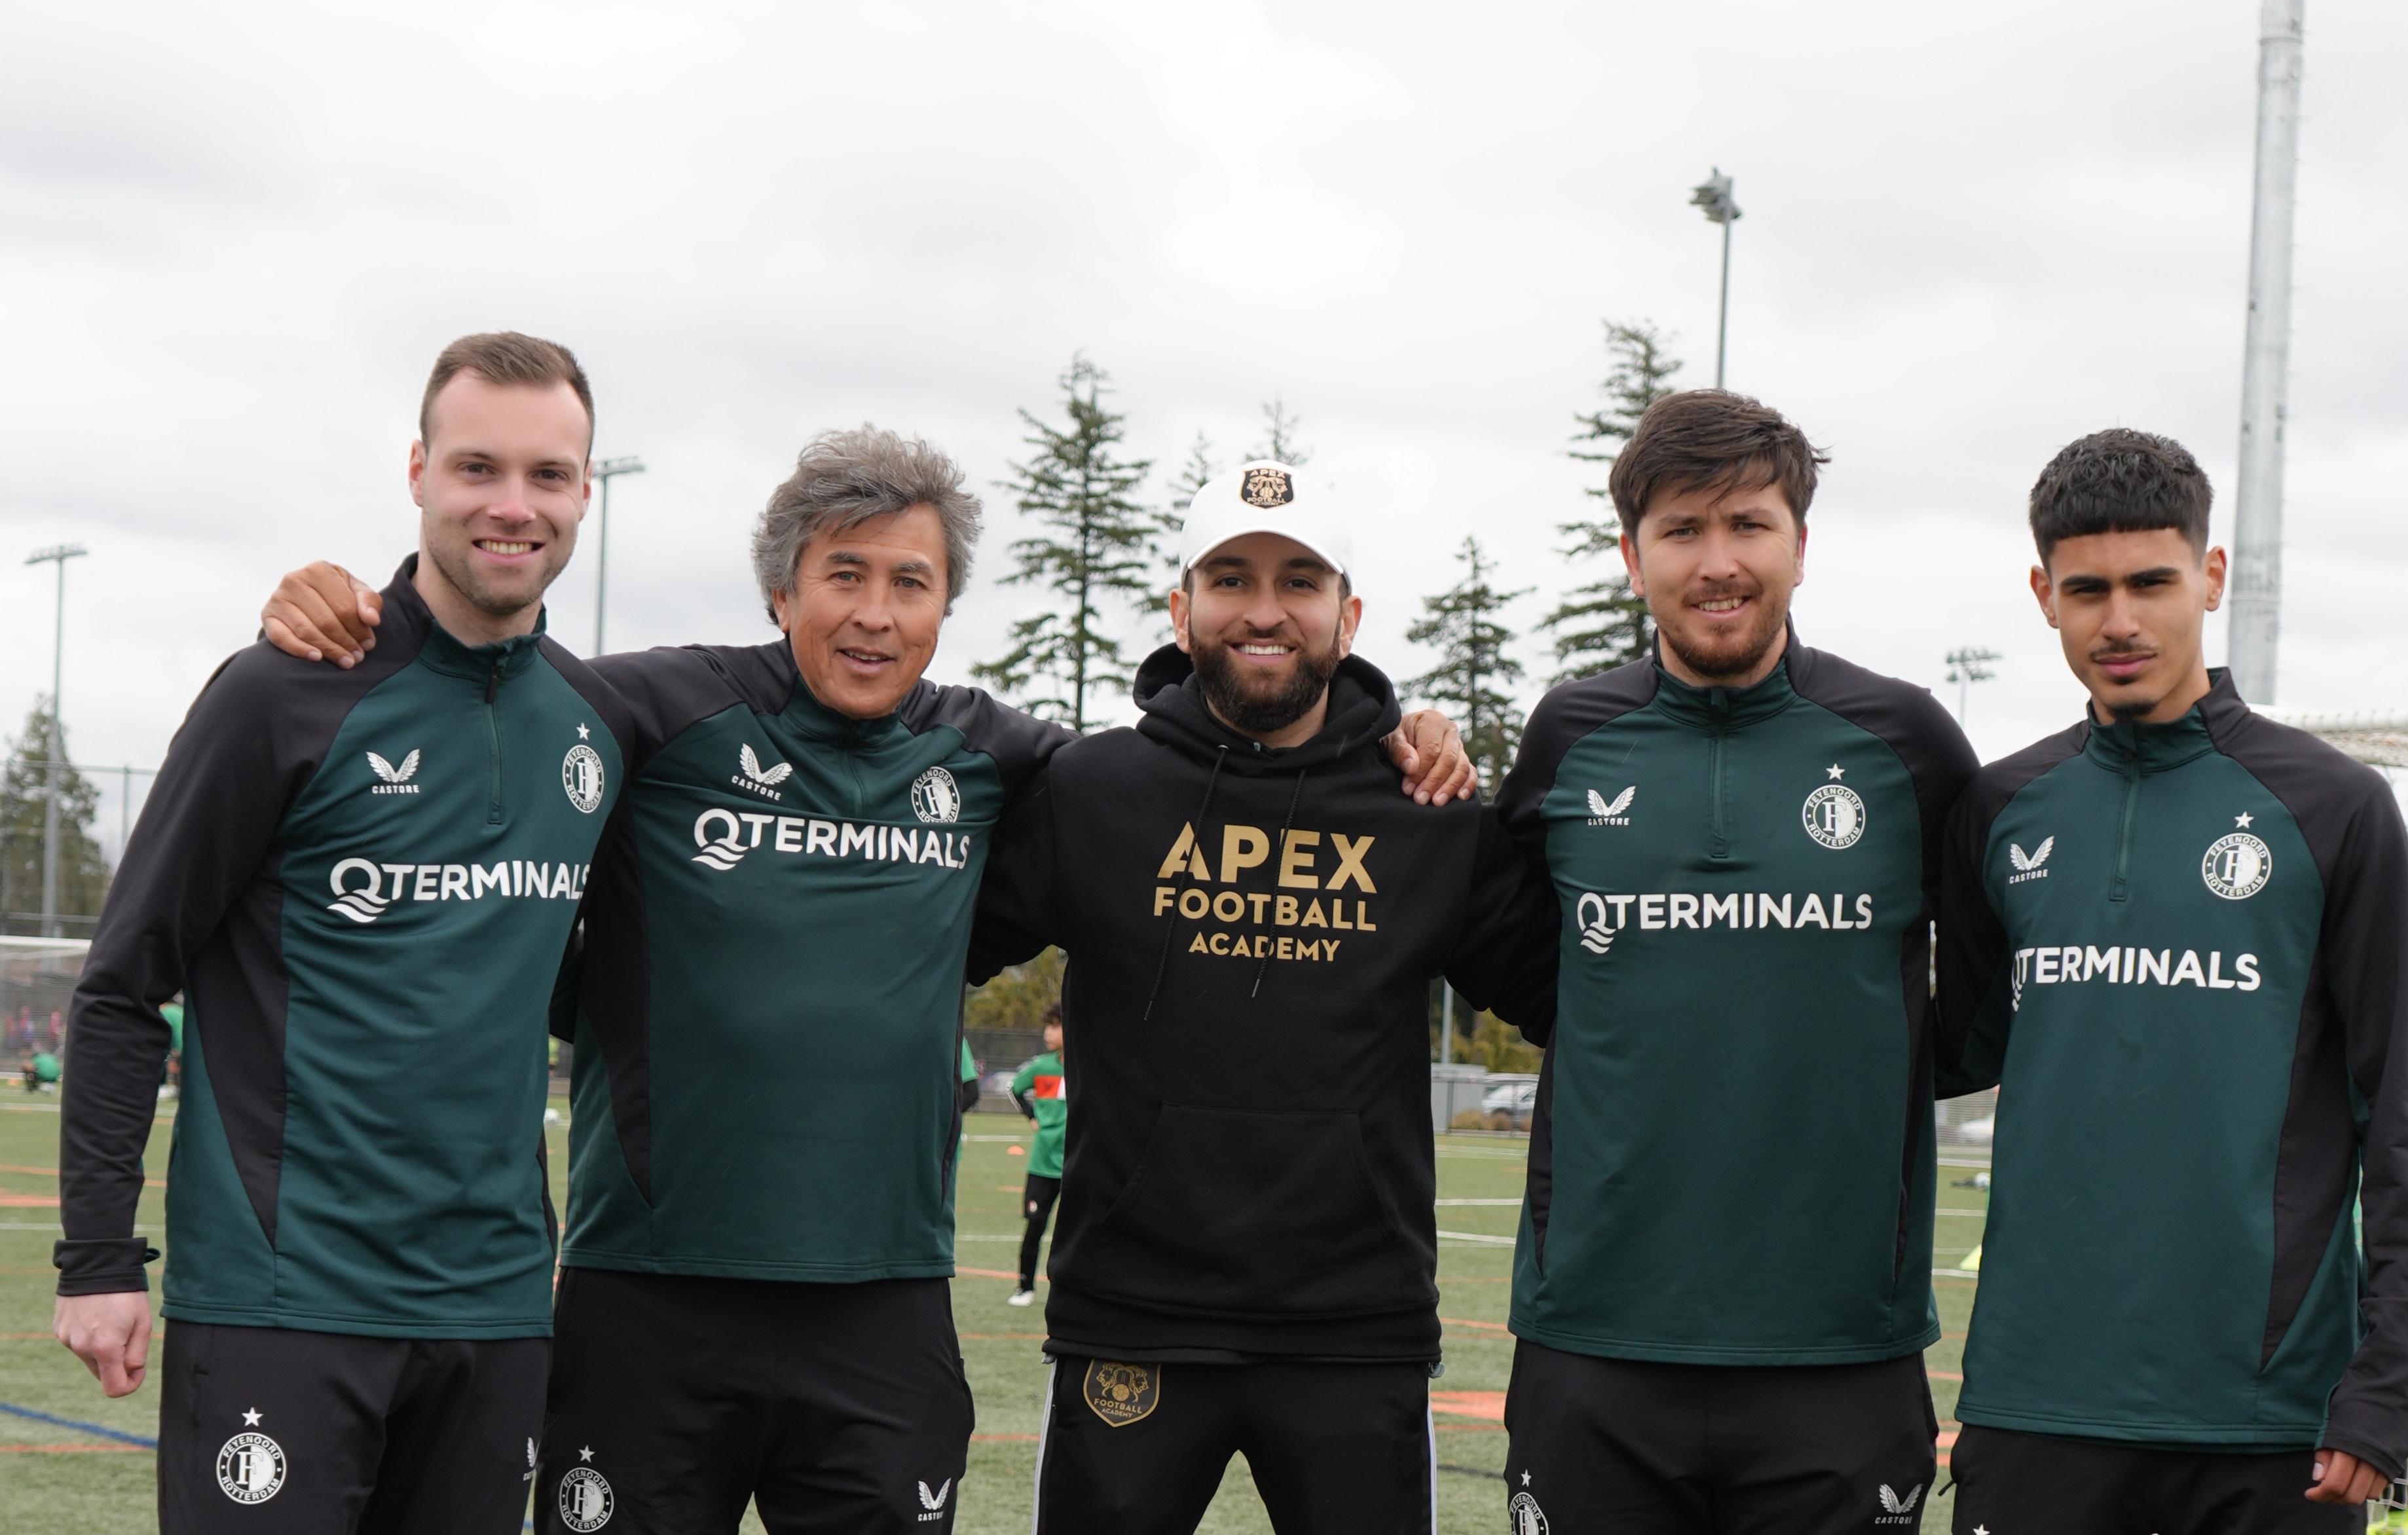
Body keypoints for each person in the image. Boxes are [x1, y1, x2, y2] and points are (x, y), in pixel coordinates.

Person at [259, 433, 1473, 1535]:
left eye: (910, 583)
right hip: (650, 1298)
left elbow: (1214, 778)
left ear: (947, 606)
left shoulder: (1007, 760)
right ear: (781, 589)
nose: (875, 615)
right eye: (845, 575)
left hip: (884, 1312)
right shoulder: (655, 708)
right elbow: (491, 682)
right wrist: (368, 607)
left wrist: (1406, 740)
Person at [56, 332, 631, 1535]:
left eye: (548, 475)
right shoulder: (281, 691)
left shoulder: (602, 722)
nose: (512, 506)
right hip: (284, 1297)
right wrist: (99, 1259)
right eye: (478, 468)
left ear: (587, 490)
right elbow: (122, 984)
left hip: (497, 1308)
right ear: (418, 470)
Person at [969, 461, 1559, 1535]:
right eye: (1231, 578)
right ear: (1181, 607)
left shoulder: (1426, 814)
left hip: (1355, 1328)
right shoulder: (1092, 794)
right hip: (1131, 1319)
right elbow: (918, 945)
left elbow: (1579, 1001)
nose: (1266, 609)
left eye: (1301, 579)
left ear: (1349, 612)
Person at [1934, 428, 2408, 1532]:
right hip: (2038, 1407)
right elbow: (1937, 1053)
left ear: (2209, 579)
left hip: (2268, 1422)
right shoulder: (2000, 809)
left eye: (2151, 583)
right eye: (2088, 590)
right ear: (2044, 595)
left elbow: (2404, 1119)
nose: (2120, 621)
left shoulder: (2334, 809)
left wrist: (2386, 1386)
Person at [1492, 389, 1978, 1535]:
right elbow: (1518, 968)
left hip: (1840, 1350)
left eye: (1749, 525)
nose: (1719, 563)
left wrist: (1877, 1067)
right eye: (1682, 531)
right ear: (1631, 556)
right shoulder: (1569, 737)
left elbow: (1995, 981)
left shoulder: (1906, 742)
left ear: (1801, 544)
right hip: (1595, 1342)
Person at [1005, 1004, 1067, 1308]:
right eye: (1048, 1026)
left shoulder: (1090, 1066)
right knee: (1034, 1227)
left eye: (1056, 1026)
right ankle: (1025, 1288)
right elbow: (1013, 1089)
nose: (1048, 1032)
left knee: (1075, 1234)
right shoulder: (1041, 1067)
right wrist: (1031, 1116)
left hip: (1078, 1165)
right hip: (1043, 1164)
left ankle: (1069, 1292)